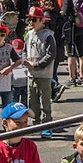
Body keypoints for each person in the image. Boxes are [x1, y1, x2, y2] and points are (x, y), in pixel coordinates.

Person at [23, 7, 56, 137]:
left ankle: (47, 124)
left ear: (42, 20)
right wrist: (25, 60)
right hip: (31, 74)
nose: (31, 22)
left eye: (34, 19)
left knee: (45, 101)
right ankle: (35, 123)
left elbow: (51, 55)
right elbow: (25, 50)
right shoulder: (29, 34)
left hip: (44, 74)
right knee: (32, 100)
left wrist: (36, 65)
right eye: (30, 19)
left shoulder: (48, 36)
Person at [60, 0, 83, 86]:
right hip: (80, 26)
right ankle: (82, 76)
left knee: (70, 53)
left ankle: (72, 77)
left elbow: (65, 13)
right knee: (82, 52)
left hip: (70, 27)